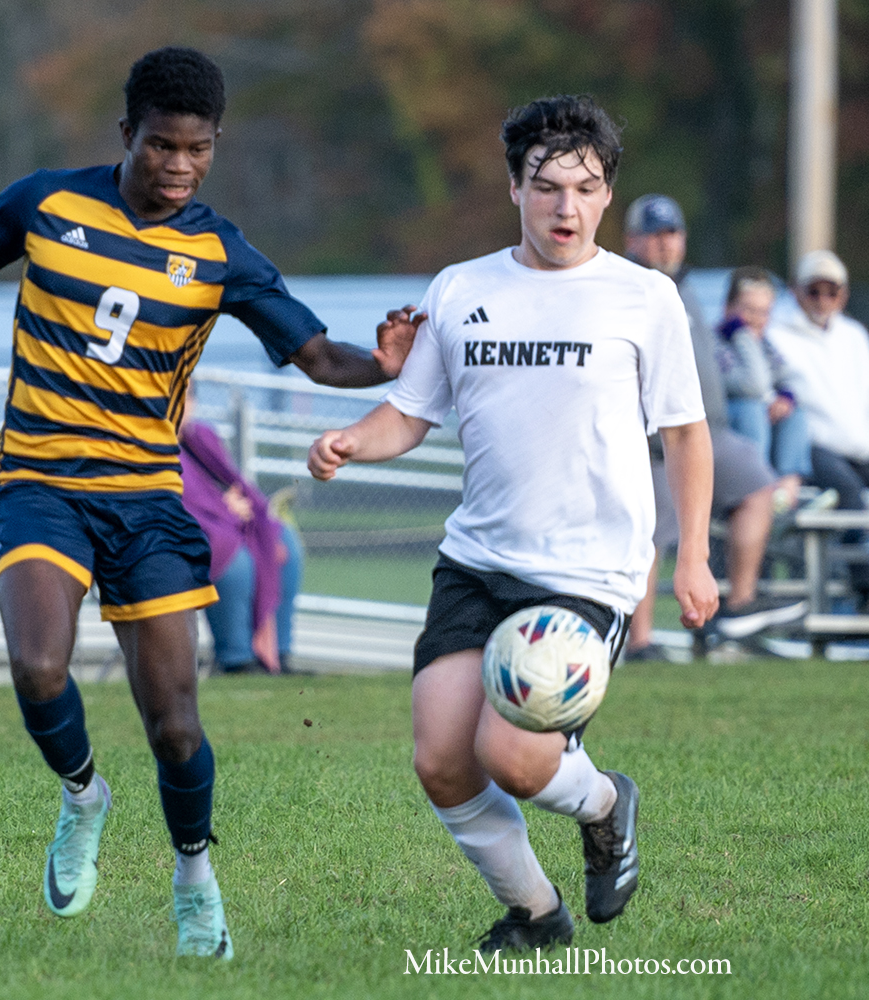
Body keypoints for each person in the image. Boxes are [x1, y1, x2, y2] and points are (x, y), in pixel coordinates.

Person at [0, 47, 416, 960]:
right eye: (162, 146)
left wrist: (379, 366)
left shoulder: (221, 254)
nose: (179, 166)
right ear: (127, 134)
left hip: (146, 501)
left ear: (215, 146)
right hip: (38, 481)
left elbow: (316, 355)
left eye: (197, 150)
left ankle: (194, 876)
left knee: (176, 725)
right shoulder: (47, 204)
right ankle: (83, 797)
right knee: (38, 666)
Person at [308, 95, 719, 953]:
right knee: (441, 759)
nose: (566, 207)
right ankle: (535, 913)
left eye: (586, 188)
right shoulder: (461, 289)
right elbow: (409, 413)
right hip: (477, 561)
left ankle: (604, 803)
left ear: (608, 195)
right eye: (547, 186)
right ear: (513, 188)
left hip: (585, 574)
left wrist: (694, 559)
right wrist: (351, 440)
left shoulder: (645, 298)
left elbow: (685, 434)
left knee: (515, 759)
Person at [621, 195, 806, 655]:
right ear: (632, 240)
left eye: (672, 233)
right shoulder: (626, 287)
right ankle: (641, 642)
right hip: (652, 439)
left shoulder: (685, 287)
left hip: (705, 431)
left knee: (756, 485)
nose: (665, 243)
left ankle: (738, 606)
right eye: (654, 234)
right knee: (651, 532)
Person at [178, 385, 303, 674]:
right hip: (186, 531)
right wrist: (224, 507)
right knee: (232, 555)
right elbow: (178, 499)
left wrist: (239, 506)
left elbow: (233, 483)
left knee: (283, 539)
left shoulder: (202, 436)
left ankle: (279, 655)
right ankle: (236, 658)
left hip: (225, 521)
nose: (183, 406)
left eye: (188, 397)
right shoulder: (150, 445)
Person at [768, 250, 869, 606]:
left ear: (843, 294)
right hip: (812, 446)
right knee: (849, 492)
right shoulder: (777, 333)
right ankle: (863, 587)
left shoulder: (853, 336)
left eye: (831, 291)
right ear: (796, 290)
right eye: (814, 290)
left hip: (857, 444)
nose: (823, 299)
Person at [716, 265, 810, 509]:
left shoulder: (765, 345)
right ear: (728, 308)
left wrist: (786, 396)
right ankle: (758, 486)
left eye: (764, 312)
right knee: (751, 409)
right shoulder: (717, 343)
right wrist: (742, 336)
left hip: (761, 424)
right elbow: (754, 385)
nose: (756, 319)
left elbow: (792, 378)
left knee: (795, 412)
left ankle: (788, 487)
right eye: (748, 310)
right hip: (726, 426)